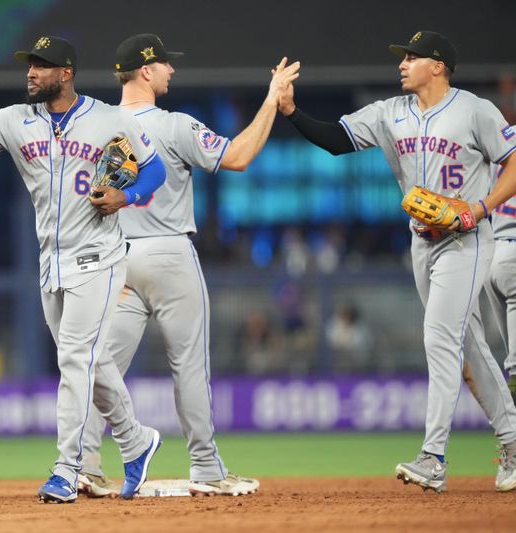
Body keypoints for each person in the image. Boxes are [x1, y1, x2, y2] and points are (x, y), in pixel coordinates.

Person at [0, 34, 166, 503]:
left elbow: (153, 171)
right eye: (29, 64)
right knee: (92, 365)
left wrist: (126, 195)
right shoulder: (16, 121)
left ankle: (66, 468)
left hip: (100, 256)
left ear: (66, 73)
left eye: (43, 64)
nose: (31, 71)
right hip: (51, 262)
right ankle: (136, 442)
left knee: (75, 360)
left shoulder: (109, 119)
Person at [278, 30, 516, 492]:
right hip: (422, 243)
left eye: (413, 57)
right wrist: (290, 111)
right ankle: (512, 439)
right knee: (466, 348)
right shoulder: (390, 114)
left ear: (439, 66)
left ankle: (433, 457)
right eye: (402, 57)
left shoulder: (475, 111)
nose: (402, 63)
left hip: (467, 240)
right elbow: (334, 140)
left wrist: (480, 207)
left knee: (439, 339)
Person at [77, 33, 299, 497]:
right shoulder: (174, 125)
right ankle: (206, 468)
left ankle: (87, 466)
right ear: (144, 71)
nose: (170, 71)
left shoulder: (94, 124)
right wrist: (270, 101)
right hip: (168, 253)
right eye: (163, 64)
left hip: (115, 258)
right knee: (188, 366)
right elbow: (236, 157)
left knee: (101, 365)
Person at [484, 161, 516, 406]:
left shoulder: (498, 141)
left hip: (491, 253)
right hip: (513, 256)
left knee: (513, 364)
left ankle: (510, 436)